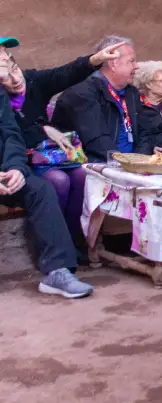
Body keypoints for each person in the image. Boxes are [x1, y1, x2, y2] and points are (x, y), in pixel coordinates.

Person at [0, 36, 123, 241]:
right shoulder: (2, 100)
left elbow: (63, 74)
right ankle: (47, 240)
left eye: (15, 69)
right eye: (6, 78)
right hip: (18, 164)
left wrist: (94, 59)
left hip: (49, 157)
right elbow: (13, 135)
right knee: (58, 181)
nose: (15, 79)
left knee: (83, 176)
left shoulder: (33, 81)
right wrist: (44, 130)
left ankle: (75, 239)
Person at [0, 85, 93, 298]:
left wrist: (17, 168)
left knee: (41, 189)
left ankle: (57, 271)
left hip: (7, 173)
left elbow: (12, 135)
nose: (4, 59)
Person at [52, 36, 141, 163]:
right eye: (131, 61)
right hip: (96, 164)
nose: (136, 66)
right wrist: (126, 164)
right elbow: (98, 142)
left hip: (129, 164)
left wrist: (144, 161)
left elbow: (144, 132)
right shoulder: (81, 93)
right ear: (113, 63)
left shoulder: (132, 92)